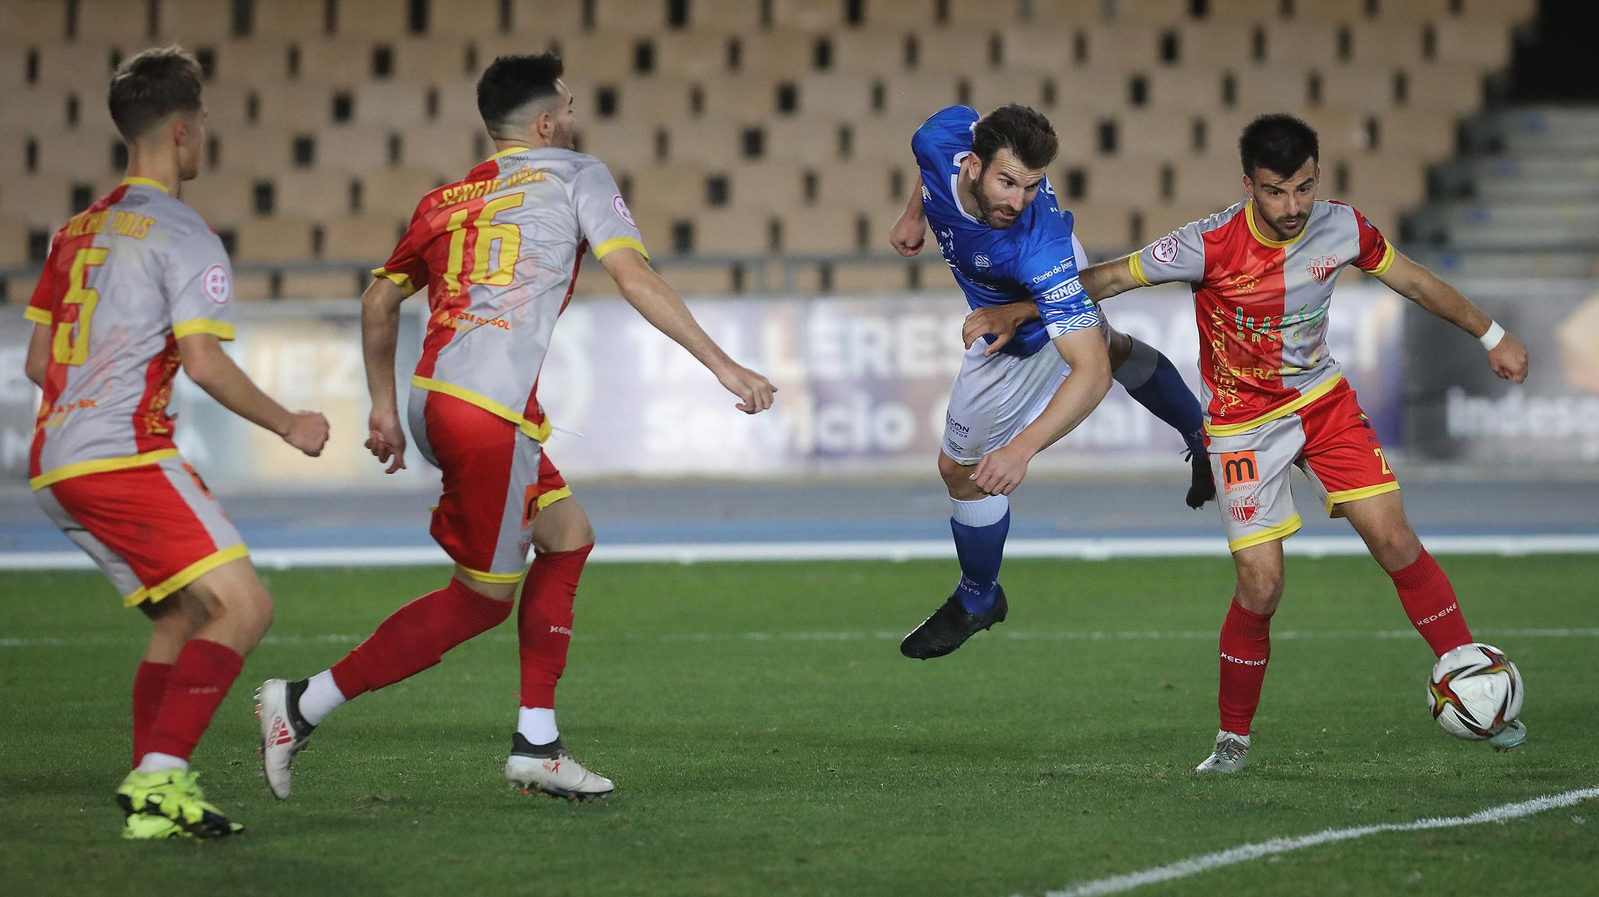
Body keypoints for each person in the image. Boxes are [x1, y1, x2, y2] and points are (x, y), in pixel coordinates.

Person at [256, 53, 775, 802]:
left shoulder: (444, 200)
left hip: (444, 400)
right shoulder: (576, 172)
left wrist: (380, 407)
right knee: (479, 598)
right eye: (567, 104)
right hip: (485, 415)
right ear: (544, 123)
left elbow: (376, 303)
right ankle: (302, 704)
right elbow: (634, 276)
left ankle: (537, 740)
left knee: (567, 534)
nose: (573, 115)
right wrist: (725, 367)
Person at [967, 114, 1531, 772]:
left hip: (1322, 402)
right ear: (1249, 185)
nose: (1292, 208)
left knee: (1396, 540)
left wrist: (1491, 335)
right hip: (1242, 426)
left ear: (1317, 177)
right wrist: (1020, 310)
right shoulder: (1207, 243)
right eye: (1275, 191)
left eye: (1303, 188)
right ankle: (1233, 737)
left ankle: (1471, 678)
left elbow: (1411, 279)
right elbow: (1108, 279)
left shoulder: (1343, 226)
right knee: (1262, 587)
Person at [23, 47, 330, 839]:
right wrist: (291, 423)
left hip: (55, 461)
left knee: (182, 617)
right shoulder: (182, 231)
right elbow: (203, 361)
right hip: (123, 453)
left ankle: (151, 798)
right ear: (185, 133)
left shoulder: (73, 230)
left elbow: (35, 360)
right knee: (245, 605)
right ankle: (162, 778)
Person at [889, 104, 1212, 660]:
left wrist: (1021, 450)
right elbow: (933, 153)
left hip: (1028, 320)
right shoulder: (937, 138)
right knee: (1113, 343)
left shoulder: (1037, 246)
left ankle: (977, 598)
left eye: (1032, 186)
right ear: (970, 164)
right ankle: (1202, 434)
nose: (1016, 201)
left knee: (960, 471)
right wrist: (916, 213)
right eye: (1007, 182)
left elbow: (1091, 375)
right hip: (1037, 280)